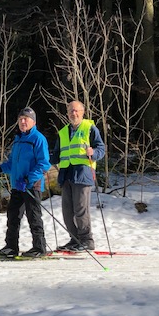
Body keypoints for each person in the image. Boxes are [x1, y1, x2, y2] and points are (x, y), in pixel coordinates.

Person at [0, 107, 51, 257]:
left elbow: (44, 164)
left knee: (33, 216)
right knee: (13, 216)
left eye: (26, 119)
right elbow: (13, 164)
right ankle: (11, 246)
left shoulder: (38, 138)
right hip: (17, 185)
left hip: (31, 185)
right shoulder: (18, 139)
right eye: (20, 119)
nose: (22, 121)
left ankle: (39, 247)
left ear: (33, 122)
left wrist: (29, 178)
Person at [50, 100, 106, 252]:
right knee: (67, 211)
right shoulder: (63, 132)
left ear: (82, 112)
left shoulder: (89, 128)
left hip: (82, 173)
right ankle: (74, 239)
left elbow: (101, 148)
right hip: (66, 174)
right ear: (67, 114)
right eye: (70, 111)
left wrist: (94, 152)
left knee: (81, 209)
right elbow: (56, 155)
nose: (73, 113)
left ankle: (86, 240)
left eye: (76, 111)